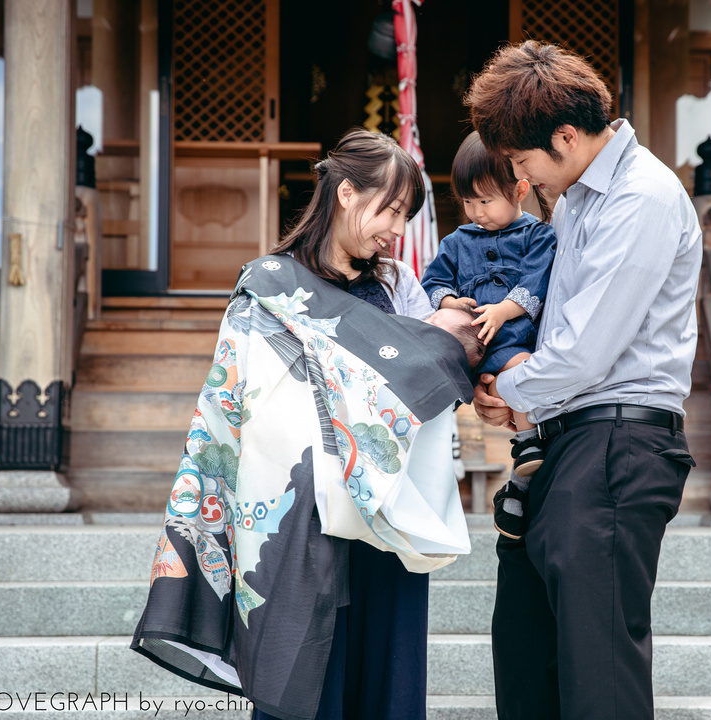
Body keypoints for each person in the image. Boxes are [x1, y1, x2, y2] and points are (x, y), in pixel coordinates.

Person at [130, 129, 472, 720]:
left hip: (387, 514)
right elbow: (237, 402)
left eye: (405, 215)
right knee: (307, 680)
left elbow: (429, 388)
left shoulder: (398, 286)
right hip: (297, 520)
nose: (397, 229)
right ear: (345, 193)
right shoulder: (266, 288)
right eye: (390, 210)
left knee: (385, 678)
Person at [465, 41, 702, 720]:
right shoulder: (573, 202)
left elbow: (584, 354)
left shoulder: (641, 199)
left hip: (615, 448)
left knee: (598, 675)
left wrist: (504, 395)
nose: (521, 177)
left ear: (565, 138)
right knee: (527, 656)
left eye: (521, 161)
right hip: (567, 444)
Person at [421, 131, 558, 539]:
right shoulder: (456, 241)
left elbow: (536, 282)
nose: (476, 211)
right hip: (470, 345)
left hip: (512, 340)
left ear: (519, 189)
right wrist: (450, 303)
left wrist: (504, 310)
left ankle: (527, 445)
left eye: (486, 200)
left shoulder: (539, 235)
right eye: (467, 202)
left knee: (521, 370)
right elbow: (435, 281)